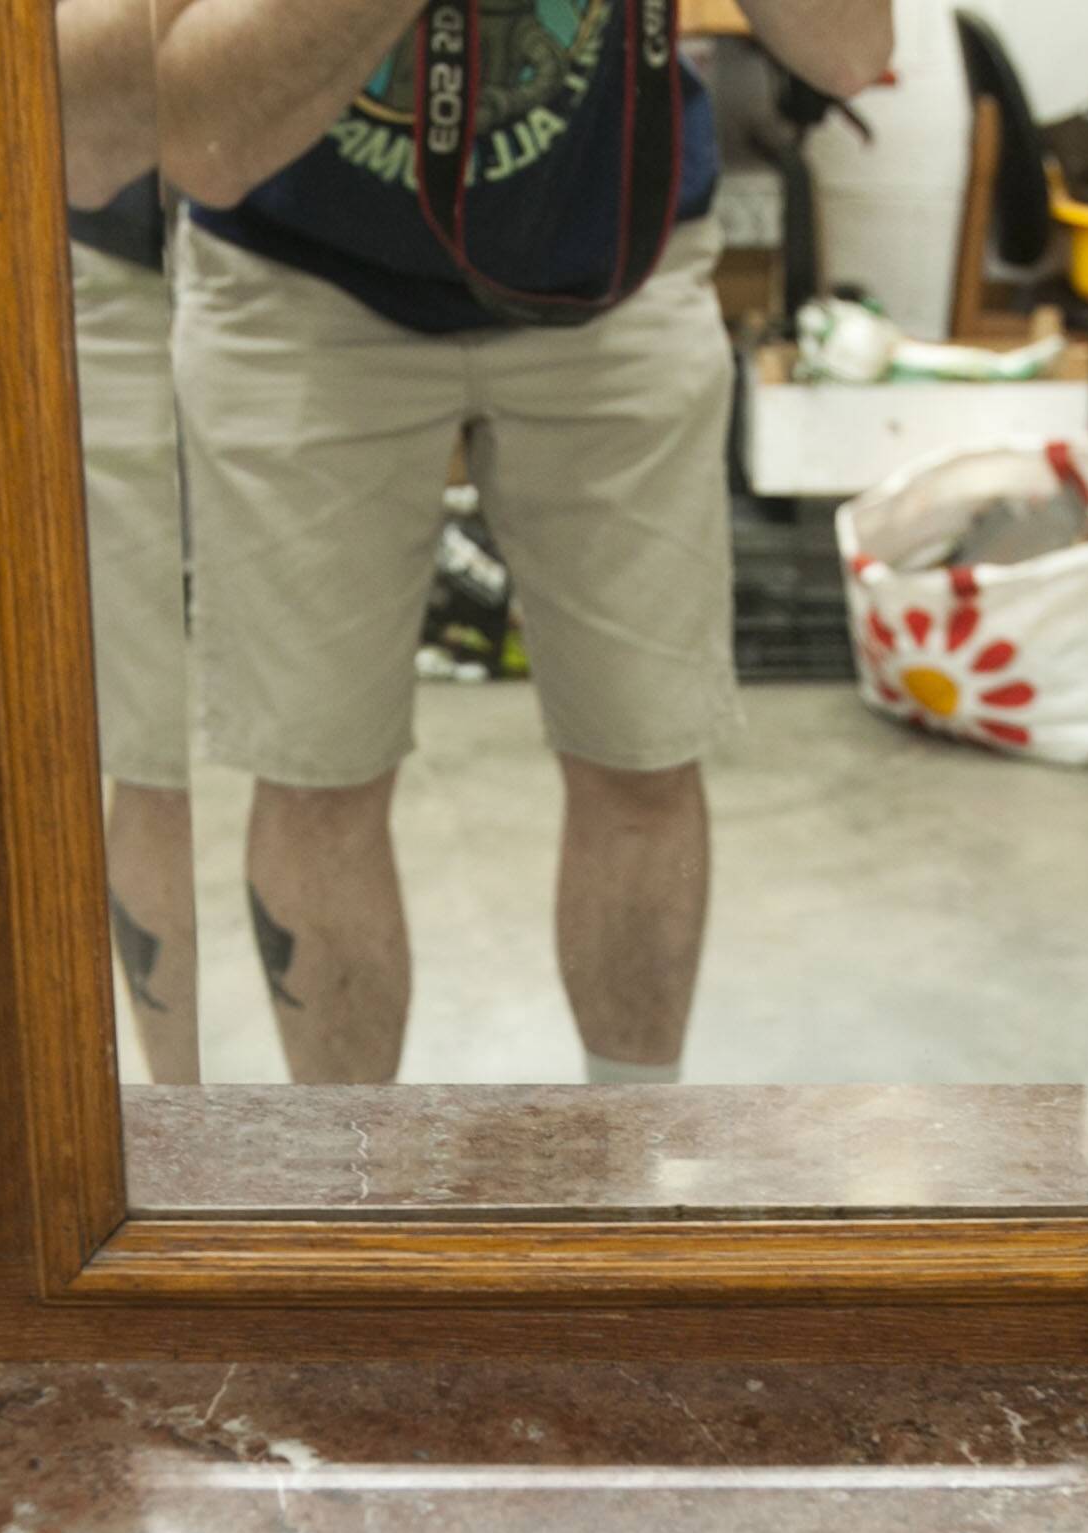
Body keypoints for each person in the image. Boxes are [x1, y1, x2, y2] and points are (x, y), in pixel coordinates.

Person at [151, 0, 894, 1085]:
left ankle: (628, 1175)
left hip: (615, 266)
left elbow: (853, 50)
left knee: (642, 751)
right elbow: (195, 137)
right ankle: (354, 1192)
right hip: (299, 276)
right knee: (319, 773)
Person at [61, 0, 204, 1084]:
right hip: (113, 250)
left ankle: (337, 1147)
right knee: (146, 747)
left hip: (328, 264)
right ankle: (181, 1108)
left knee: (325, 777)